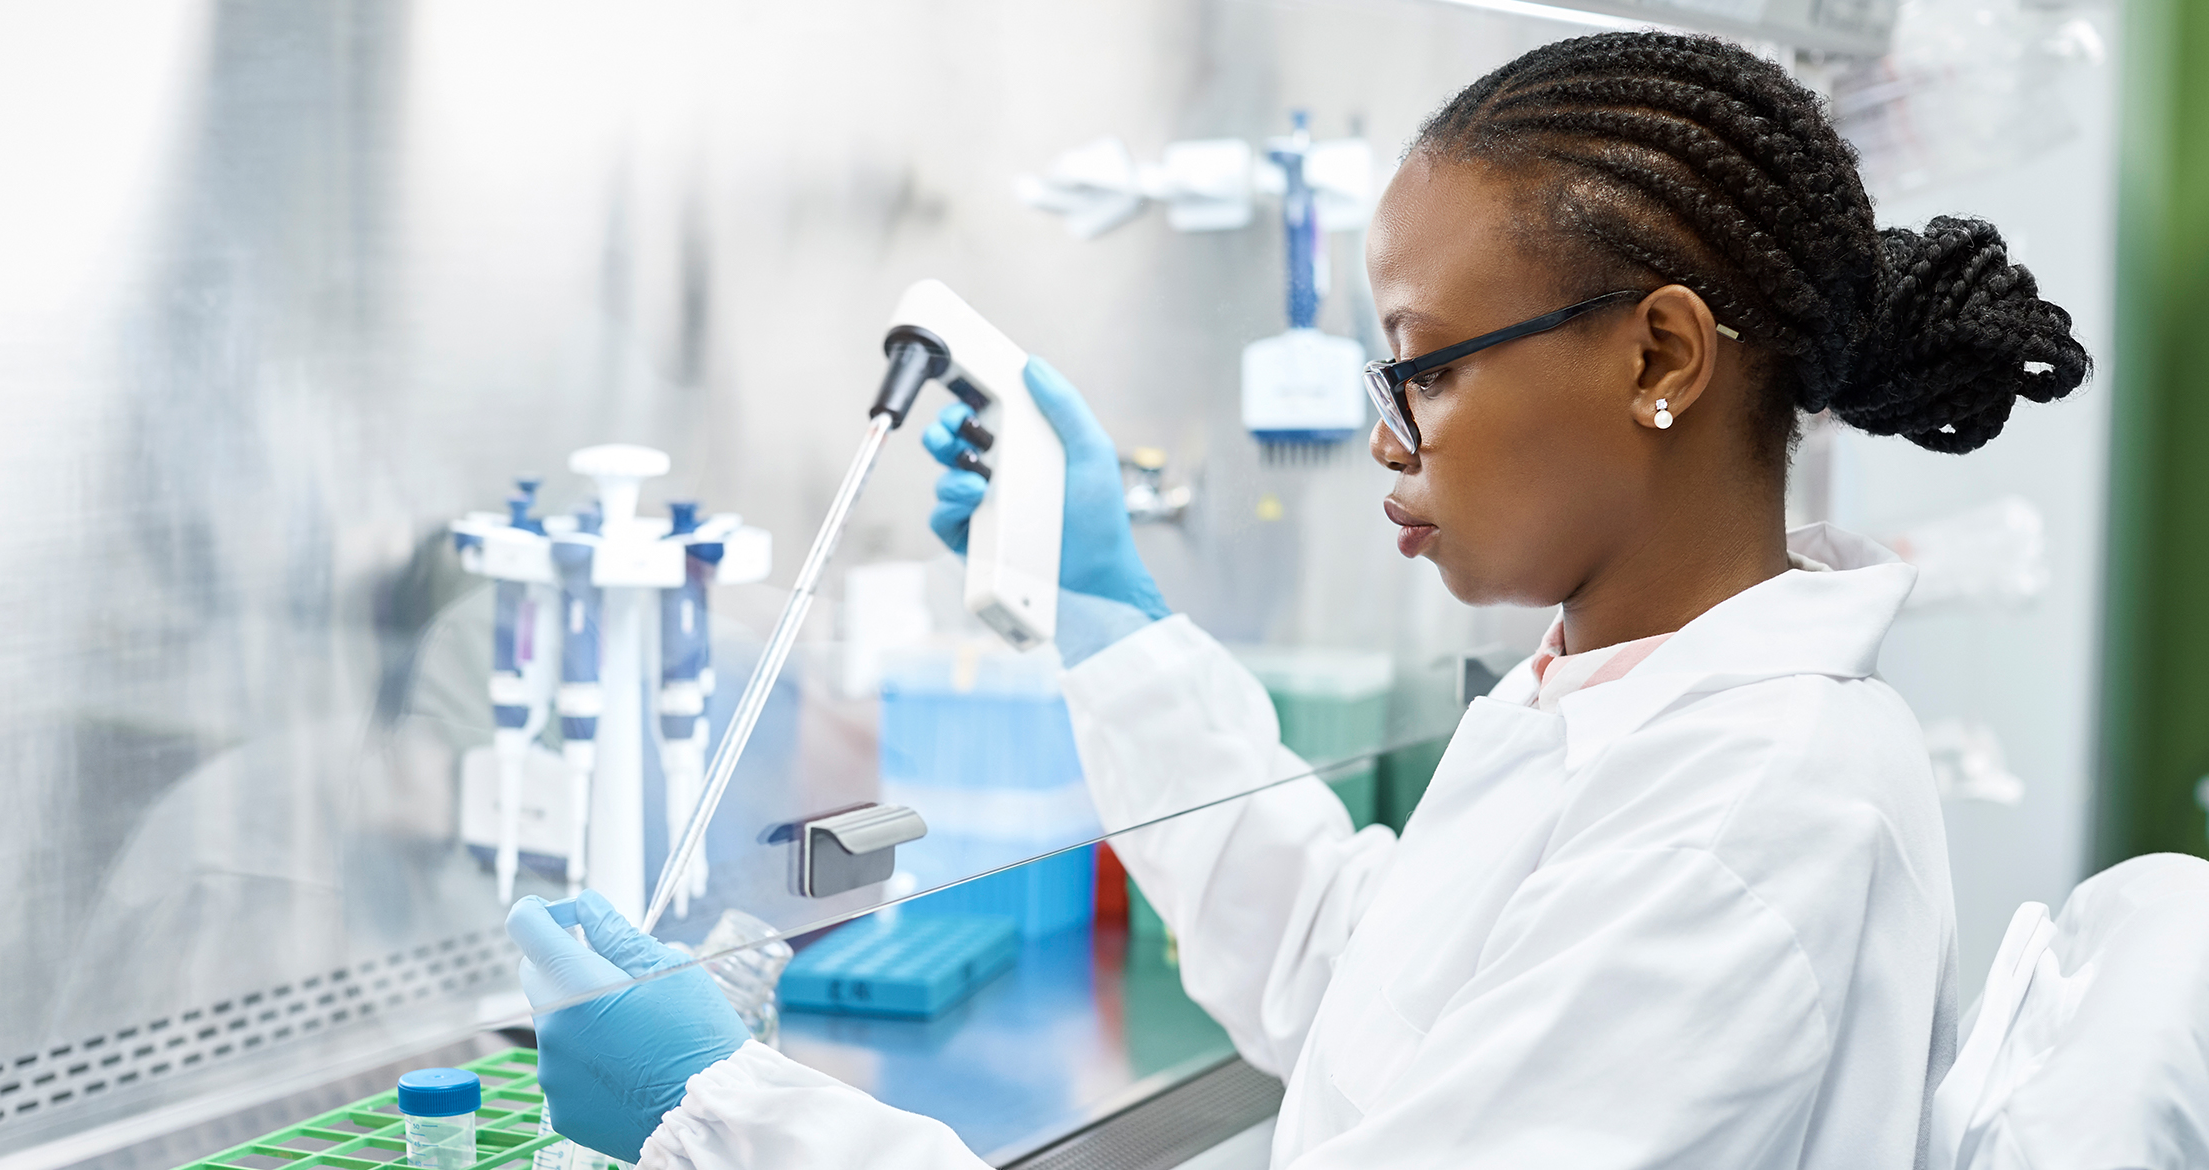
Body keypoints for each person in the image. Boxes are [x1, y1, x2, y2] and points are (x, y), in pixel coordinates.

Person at [505, 29, 2090, 1170]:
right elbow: (1364, 977)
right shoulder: (1611, 699)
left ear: (1658, 356)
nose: (1388, 437)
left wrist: (718, 1112)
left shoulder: (1749, 810)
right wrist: (1112, 622)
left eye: (1428, 365)